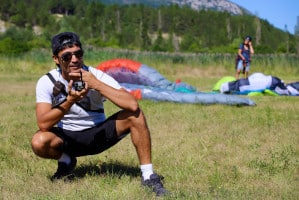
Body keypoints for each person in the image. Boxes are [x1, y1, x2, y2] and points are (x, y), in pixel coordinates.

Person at [31, 32, 167, 196]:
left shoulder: (96, 75)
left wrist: (96, 84)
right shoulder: (47, 82)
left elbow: (131, 104)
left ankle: (148, 176)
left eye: (78, 54)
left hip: (98, 135)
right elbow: (43, 124)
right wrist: (70, 101)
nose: (74, 59)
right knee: (39, 141)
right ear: (56, 59)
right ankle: (66, 161)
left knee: (135, 115)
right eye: (67, 56)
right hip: (68, 138)